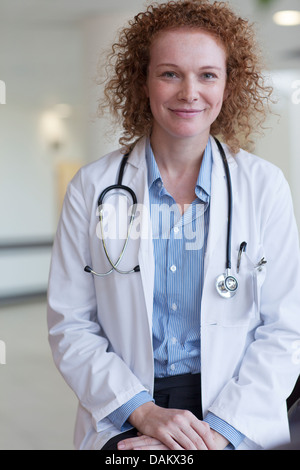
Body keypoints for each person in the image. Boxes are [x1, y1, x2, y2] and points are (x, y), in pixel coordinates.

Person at [47, 0, 300, 450]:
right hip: (125, 404)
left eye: (207, 74)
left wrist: (218, 434)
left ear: (228, 84)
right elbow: (71, 323)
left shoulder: (264, 186)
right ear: (142, 81)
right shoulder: (93, 187)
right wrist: (142, 413)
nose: (189, 92)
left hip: (235, 405)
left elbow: (285, 329)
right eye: (169, 73)